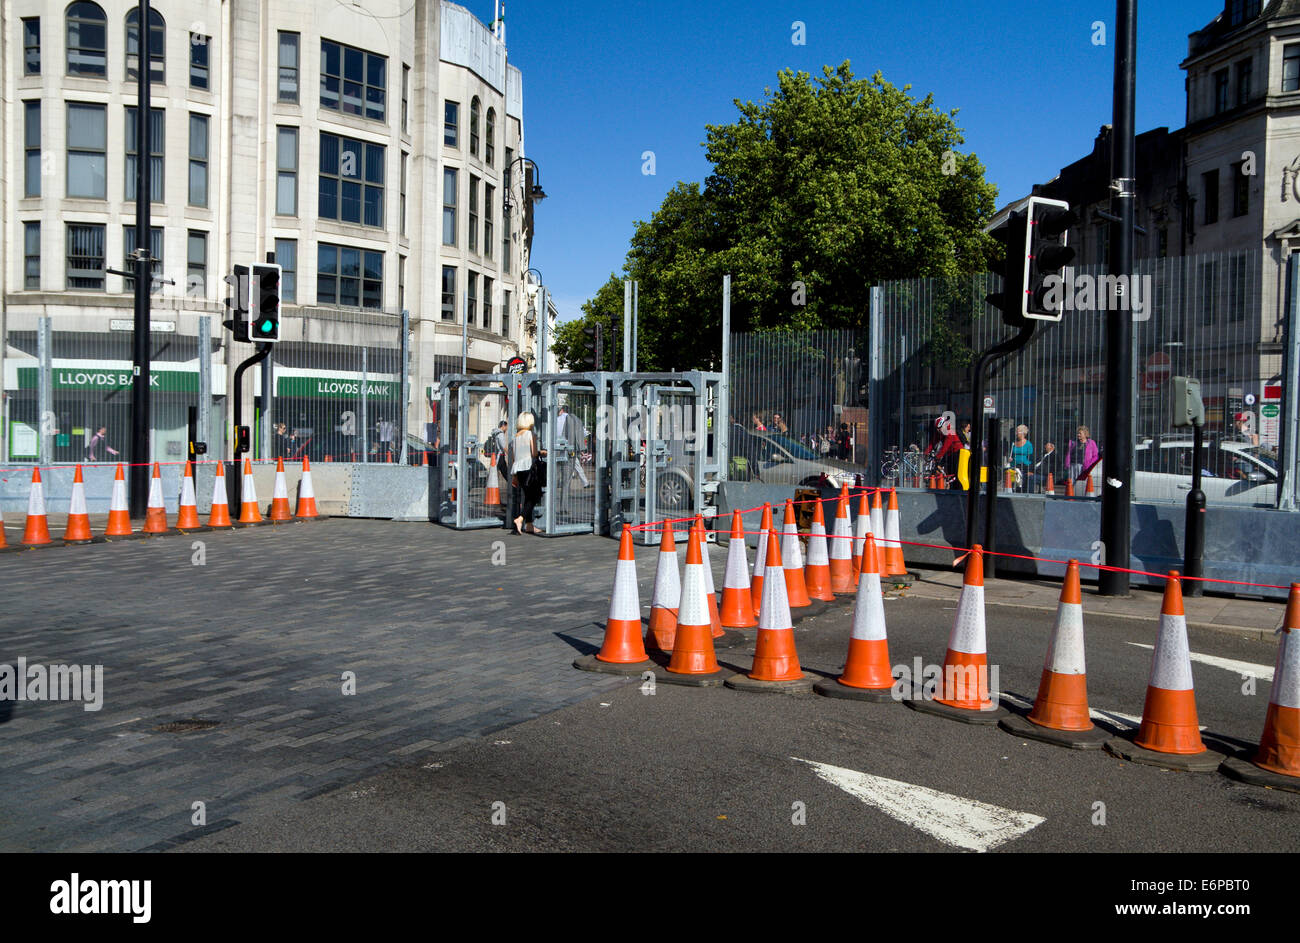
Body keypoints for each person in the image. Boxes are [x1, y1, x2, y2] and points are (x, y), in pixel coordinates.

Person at [508, 412, 546, 535]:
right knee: (535, 496)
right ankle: (520, 519)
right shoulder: (531, 434)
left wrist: (514, 476)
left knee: (528, 496)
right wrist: (542, 452)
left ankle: (529, 525)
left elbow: (514, 457)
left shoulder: (515, 437)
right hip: (529, 468)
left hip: (519, 470)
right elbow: (534, 453)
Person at [1010, 424, 1033, 492]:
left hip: (1024, 467)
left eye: (1018, 432)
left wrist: (1030, 470)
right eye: (1016, 432)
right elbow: (1012, 454)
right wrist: (1010, 459)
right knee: (1013, 484)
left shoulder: (1028, 444)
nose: (1016, 433)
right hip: (1014, 466)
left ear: (1023, 433)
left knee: (1021, 485)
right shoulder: (1014, 443)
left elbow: (1031, 457)